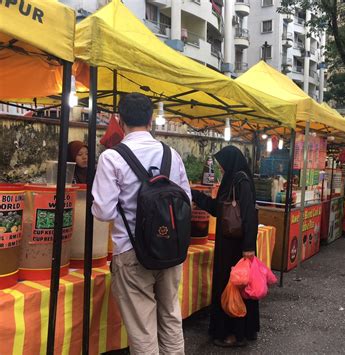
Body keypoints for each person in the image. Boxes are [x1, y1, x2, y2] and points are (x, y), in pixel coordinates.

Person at [91, 93, 190, 354]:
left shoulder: (112, 158)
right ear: (151, 119)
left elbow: (103, 212)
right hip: (170, 250)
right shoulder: (172, 155)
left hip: (131, 253)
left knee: (143, 329)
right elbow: (186, 202)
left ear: (120, 120)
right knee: (170, 317)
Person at [191, 146, 259, 348]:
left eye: (222, 164)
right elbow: (217, 209)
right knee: (226, 286)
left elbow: (249, 216)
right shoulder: (230, 181)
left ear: (230, 162)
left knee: (236, 287)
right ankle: (227, 329)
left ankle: (236, 333)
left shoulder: (241, 181)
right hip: (226, 245)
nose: (220, 168)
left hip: (237, 248)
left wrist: (248, 247)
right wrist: (196, 196)